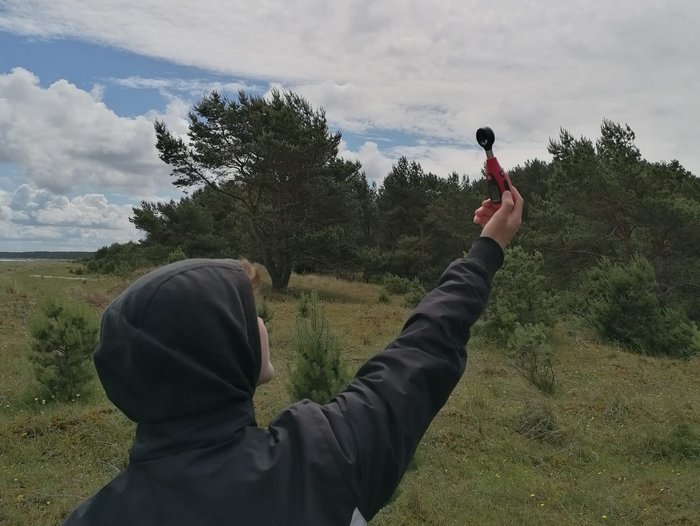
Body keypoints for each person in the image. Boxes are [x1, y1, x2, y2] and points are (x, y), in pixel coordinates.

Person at [62, 188, 523, 526]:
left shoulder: (94, 516)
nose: (263, 324)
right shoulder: (320, 465)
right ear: (217, 354)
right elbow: (422, 350)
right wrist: (487, 250)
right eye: (252, 316)